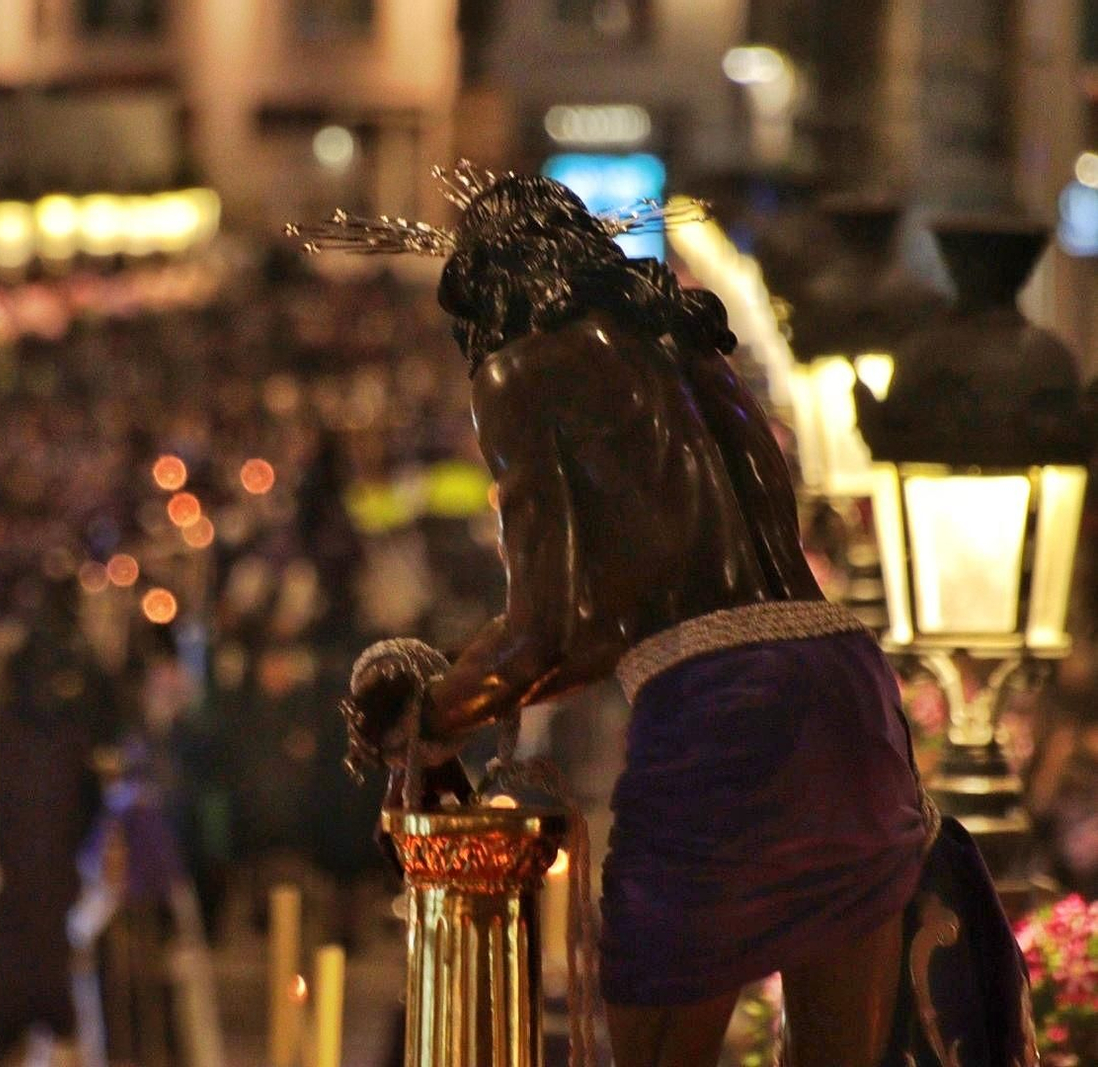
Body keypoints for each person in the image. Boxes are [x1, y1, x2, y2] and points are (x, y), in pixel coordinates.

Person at [306, 170, 1033, 1066]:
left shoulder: (520, 369)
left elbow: (556, 625)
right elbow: (605, 623)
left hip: (725, 712)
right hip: (848, 687)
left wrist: (427, 714)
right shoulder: (689, 349)